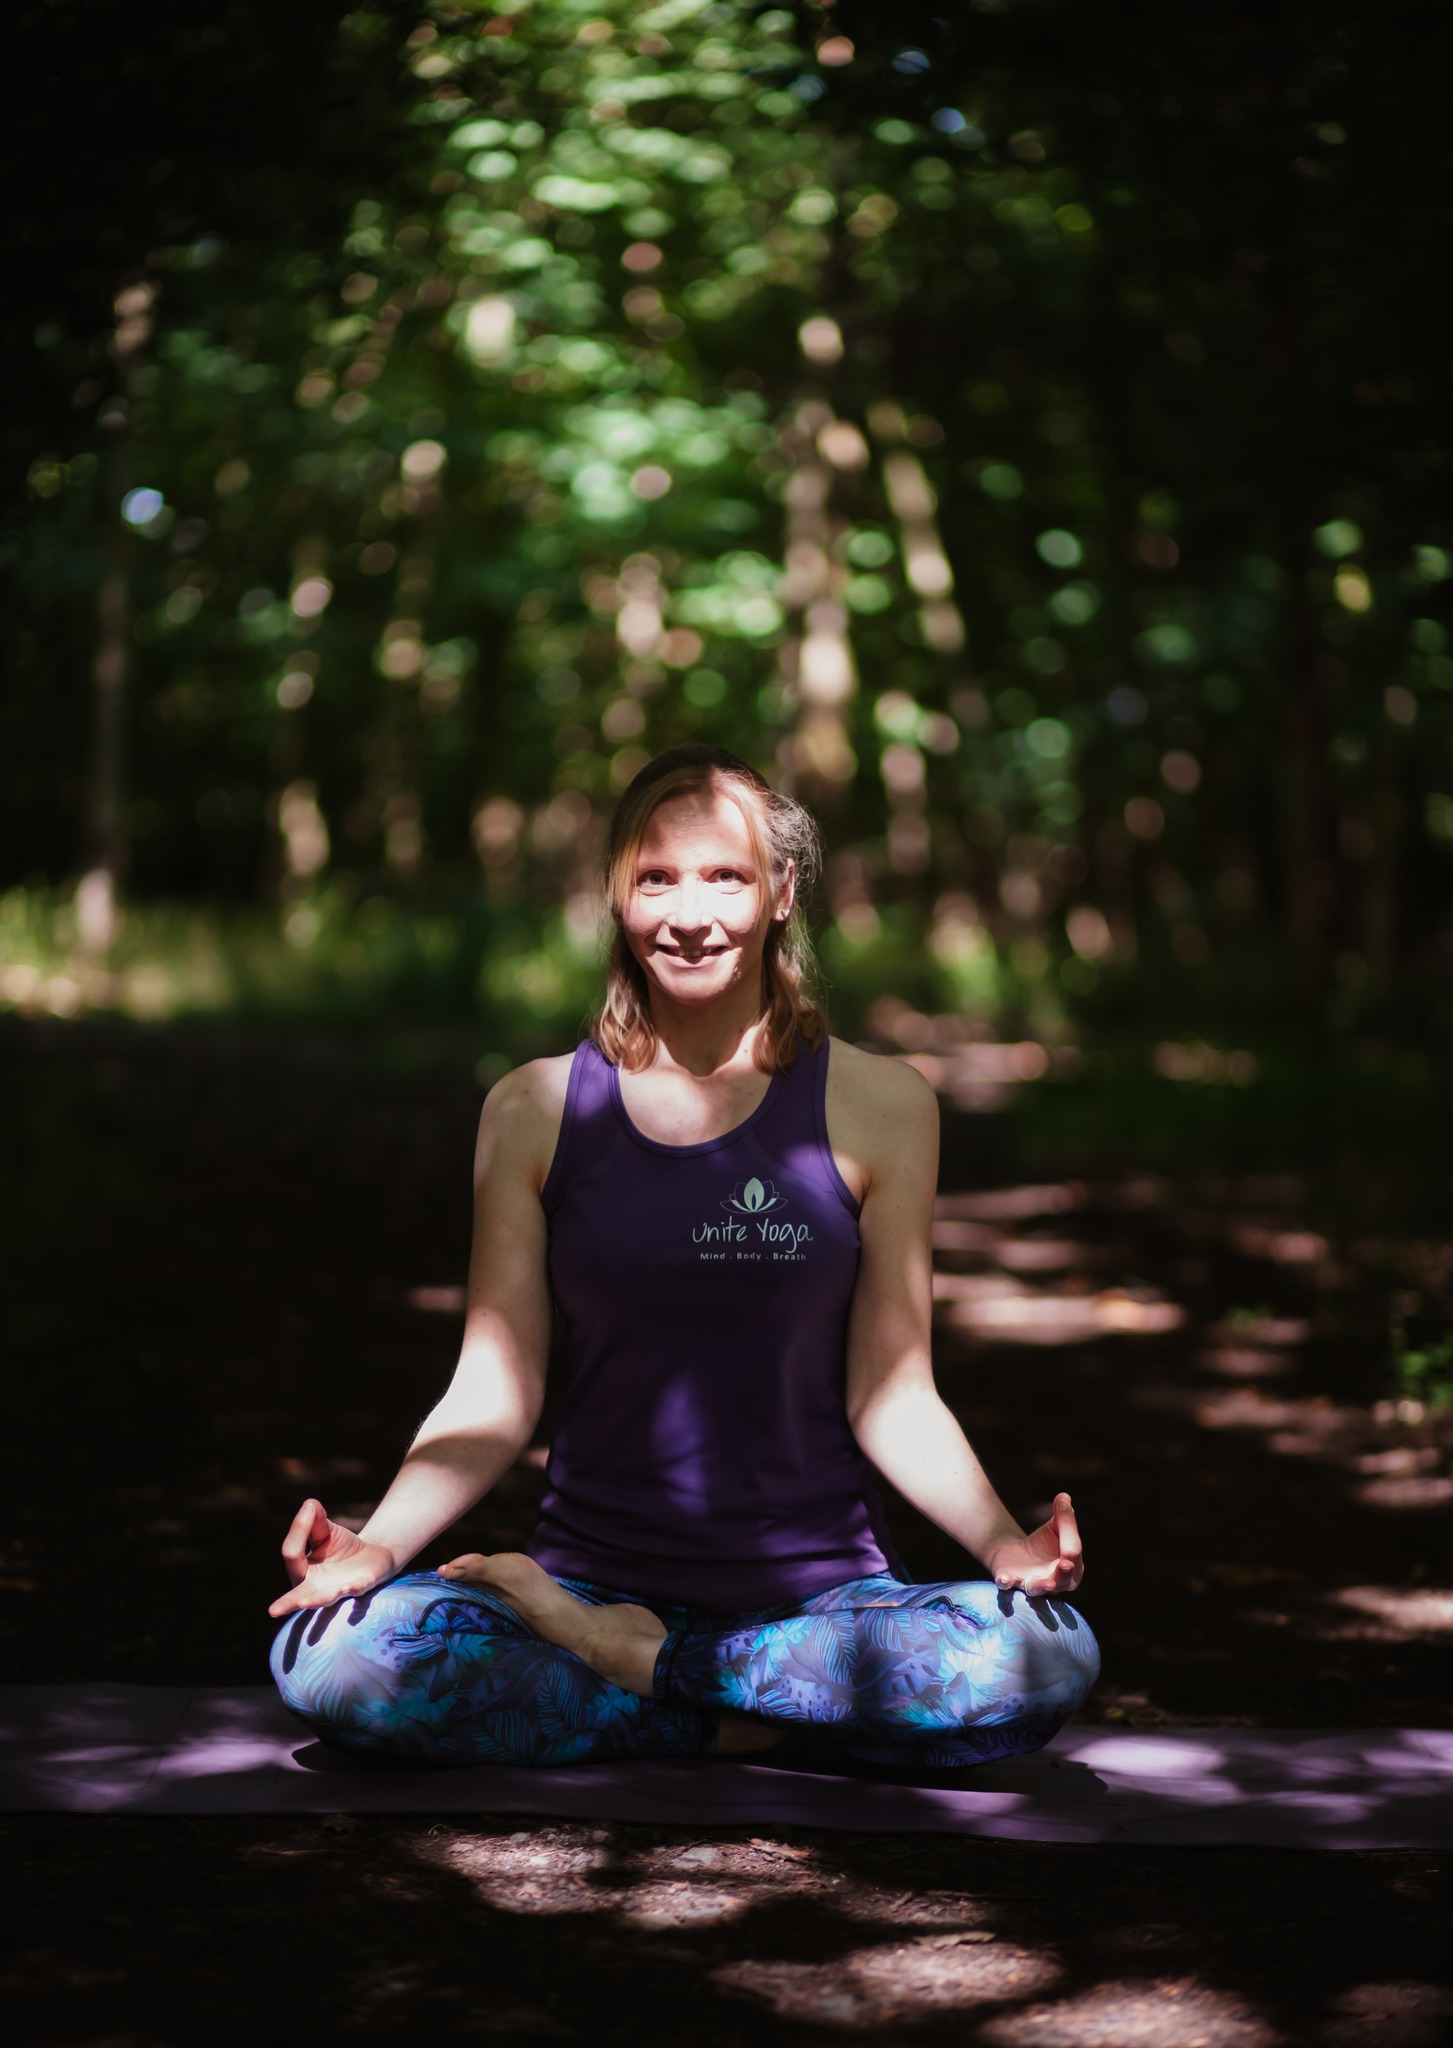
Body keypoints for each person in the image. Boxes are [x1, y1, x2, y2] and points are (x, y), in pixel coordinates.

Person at [268, 745, 1098, 1772]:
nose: (689, 912)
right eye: (656, 876)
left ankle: (648, 1671)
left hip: (823, 1606)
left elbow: (894, 1393)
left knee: (1041, 1655)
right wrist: (378, 1546)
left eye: (725, 875)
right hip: (580, 1585)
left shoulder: (882, 1106)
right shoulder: (532, 1108)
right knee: (334, 1657)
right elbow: (492, 1389)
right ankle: (734, 1708)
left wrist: (1000, 1546)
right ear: (615, 893)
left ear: (781, 891)